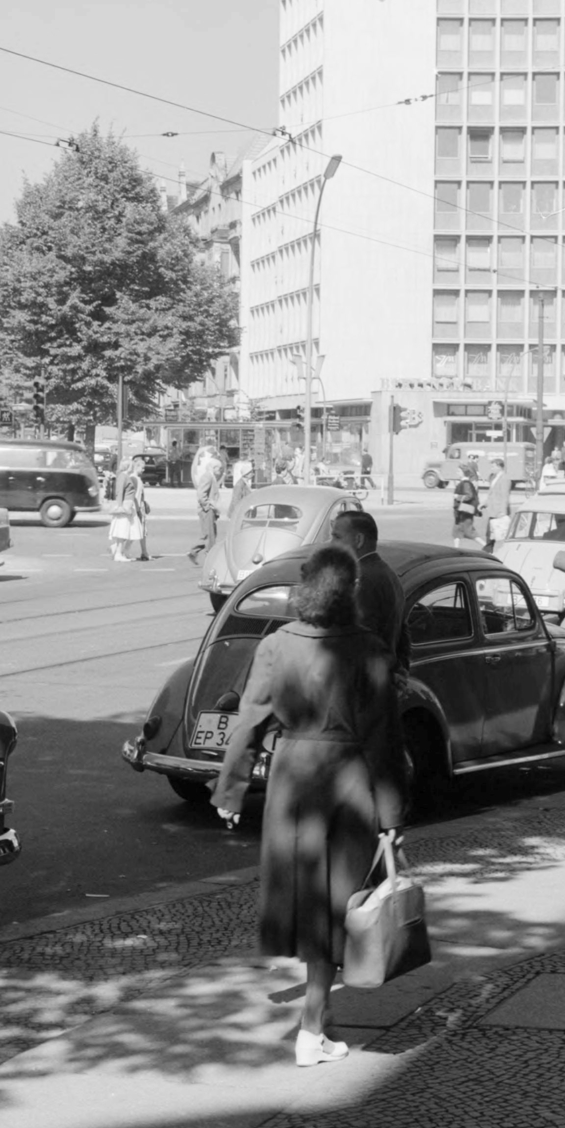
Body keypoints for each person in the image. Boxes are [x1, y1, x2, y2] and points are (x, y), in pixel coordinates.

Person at [211, 544, 406, 1066]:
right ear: (350, 595)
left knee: (307, 907)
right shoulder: (368, 650)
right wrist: (392, 819)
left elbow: (249, 722)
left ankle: (321, 1025)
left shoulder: (276, 646)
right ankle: (311, 1028)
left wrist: (229, 791)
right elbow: (385, 742)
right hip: (348, 786)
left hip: (292, 783)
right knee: (337, 909)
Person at [330, 508, 411, 673]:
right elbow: (403, 635)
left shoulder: (363, 579)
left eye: (337, 537)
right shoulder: (388, 574)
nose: (331, 543)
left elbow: (359, 638)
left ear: (358, 540)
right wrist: (400, 672)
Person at [188, 449, 224, 564]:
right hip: (207, 510)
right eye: (219, 469)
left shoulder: (211, 476)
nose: (220, 471)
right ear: (213, 468)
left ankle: (194, 552)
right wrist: (207, 506)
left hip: (210, 510)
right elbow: (201, 493)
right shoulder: (207, 476)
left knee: (209, 534)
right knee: (210, 535)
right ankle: (210, 558)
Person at [109, 459, 149, 562]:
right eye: (131, 465)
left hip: (128, 506)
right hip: (126, 507)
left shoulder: (125, 476)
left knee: (131, 530)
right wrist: (120, 506)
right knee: (123, 530)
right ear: (128, 466)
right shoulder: (123, 476)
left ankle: (121, 552)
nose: (133, 466)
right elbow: (119, 492)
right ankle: (118, 553)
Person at [482, 457, 513, 548]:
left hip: (498, 512)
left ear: (499, 467)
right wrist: (484, 503)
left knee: (499, 535)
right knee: (490, 534)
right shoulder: (495, 478)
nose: (492, 468)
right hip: (493, 510)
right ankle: (489, 550)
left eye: (493, 466)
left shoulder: (504, 478)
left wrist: (502, 512)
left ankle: (489, 552)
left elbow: (504, 496)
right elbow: (493, 494)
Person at [451, 462, 481, 548]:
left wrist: (458, 497)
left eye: (458, 471)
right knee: (456, 532)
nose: (457, 473)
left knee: (470, 532)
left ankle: (487, 546)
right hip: (461, 512)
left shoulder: (466, 483)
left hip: (464, 512)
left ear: (463, 472)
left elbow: (469, 496)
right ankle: (456, 549)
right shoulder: (463, 483)